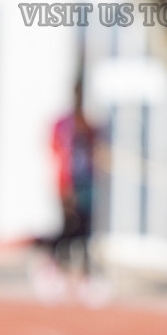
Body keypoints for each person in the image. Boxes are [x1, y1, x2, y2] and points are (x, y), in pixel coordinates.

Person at [48, 81, 98, 279]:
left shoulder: (88, 124)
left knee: (85, 227)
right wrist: (65, 186)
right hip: (69, 182)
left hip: (86, 182)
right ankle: (57, 264)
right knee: (68, 225)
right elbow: (56, 152)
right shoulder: (63, 124)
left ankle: (84, 272)